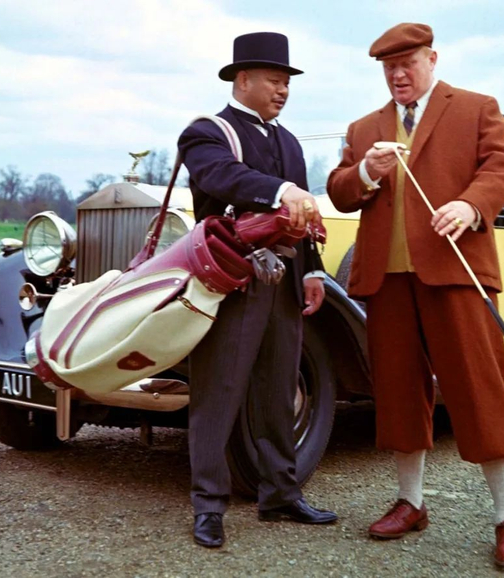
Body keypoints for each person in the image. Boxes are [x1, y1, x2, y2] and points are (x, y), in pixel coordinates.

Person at [327, 23, 504, 569]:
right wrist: (365, 170)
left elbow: (499, 170)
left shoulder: (478, 108)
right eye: (388, 68)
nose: (398, 75)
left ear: (432, 60)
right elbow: (340, 192)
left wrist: (470, 205)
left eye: (408, 64)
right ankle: (411, 503)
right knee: (397, 391)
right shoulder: (364, 128)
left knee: (480, 391)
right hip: (386, 281)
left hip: (457, 274)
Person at [178, 31, 337, 549]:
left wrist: (312, 271)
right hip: (232, 279)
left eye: (287, 81)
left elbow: (302, 217)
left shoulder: (289, 142)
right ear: (242, 79)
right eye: (273, 79)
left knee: (278, 390)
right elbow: (220, 177)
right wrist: (281, 189)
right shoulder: (208, 132)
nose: (283, 90)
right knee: (218, 391)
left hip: (285, 281)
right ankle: (208, 505)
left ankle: (280, 494)